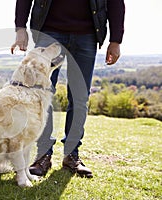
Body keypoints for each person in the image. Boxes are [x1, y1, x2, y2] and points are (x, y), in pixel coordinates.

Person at [11, 0, 125, 178]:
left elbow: (115, 2)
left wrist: (116, 39)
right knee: (43, 95)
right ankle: (43, 155)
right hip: (48, 31)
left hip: (87, 34)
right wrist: (20, 27)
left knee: (79, 98)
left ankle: (72, 155)